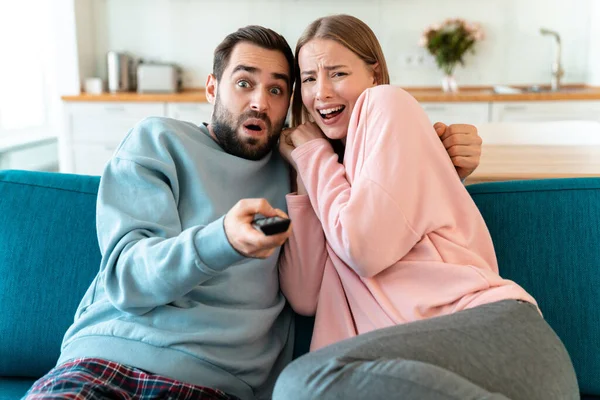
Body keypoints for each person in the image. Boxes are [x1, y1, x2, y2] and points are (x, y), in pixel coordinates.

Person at [24, 25, 483, 400]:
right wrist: (220, 239)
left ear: (291, 106)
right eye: (244, 83)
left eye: (278, 89)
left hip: (218, 386)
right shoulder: (159, 141)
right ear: (212, 87)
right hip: (104, 364)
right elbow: (126, 277)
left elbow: (378, 199)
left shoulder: (302, 170)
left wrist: (446, 159)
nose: (260, 102)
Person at [274, 14, 579, 400]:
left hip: (490, 335)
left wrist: (313, 155)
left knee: (299, 384)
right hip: (407, 366)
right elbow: (303, 296)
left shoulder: (386, 102)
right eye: (311, 79)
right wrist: (305, 173)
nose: (322, 93)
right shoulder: (329, 182)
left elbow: (364, 248)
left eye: (337, 73)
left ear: (374, 74)